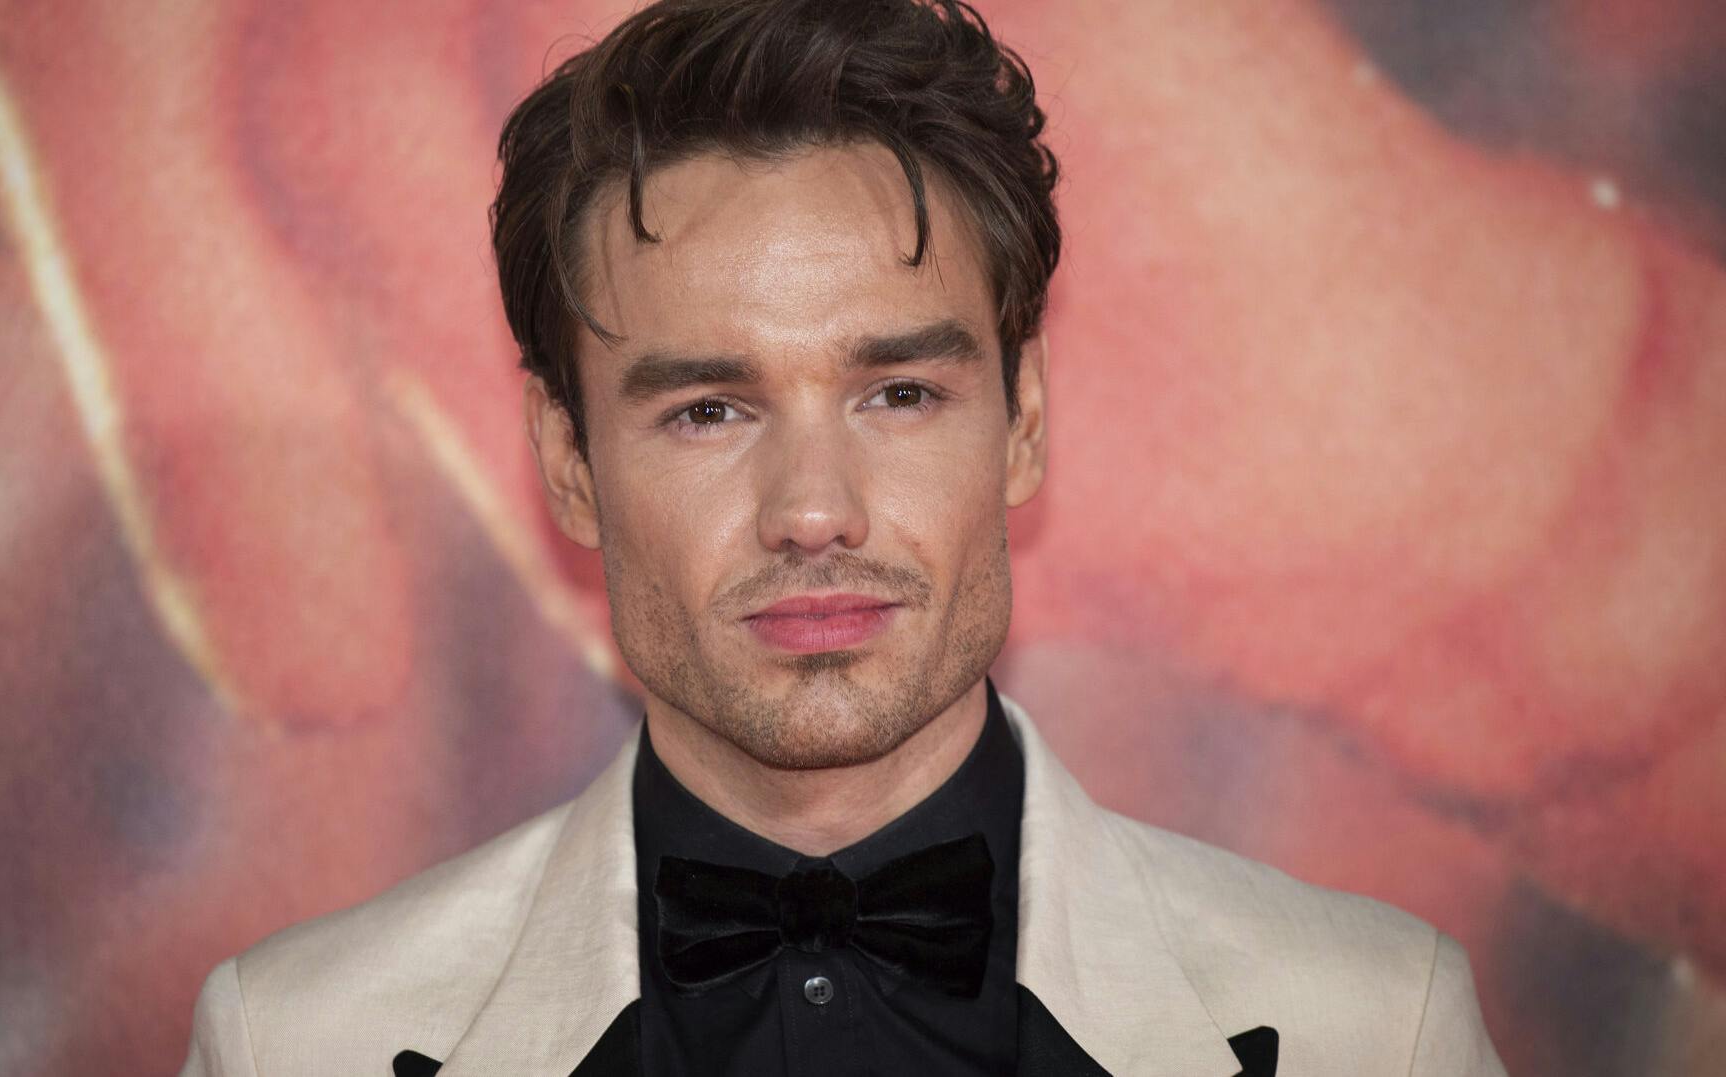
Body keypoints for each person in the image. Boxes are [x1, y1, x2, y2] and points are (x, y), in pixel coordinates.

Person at [179, 0, 1507, 1073]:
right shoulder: (297, 1043)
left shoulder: (1370, 1030)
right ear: (568, 462)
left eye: (900, 393)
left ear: (1024, 417)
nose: (814, 508)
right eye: (708, 409)